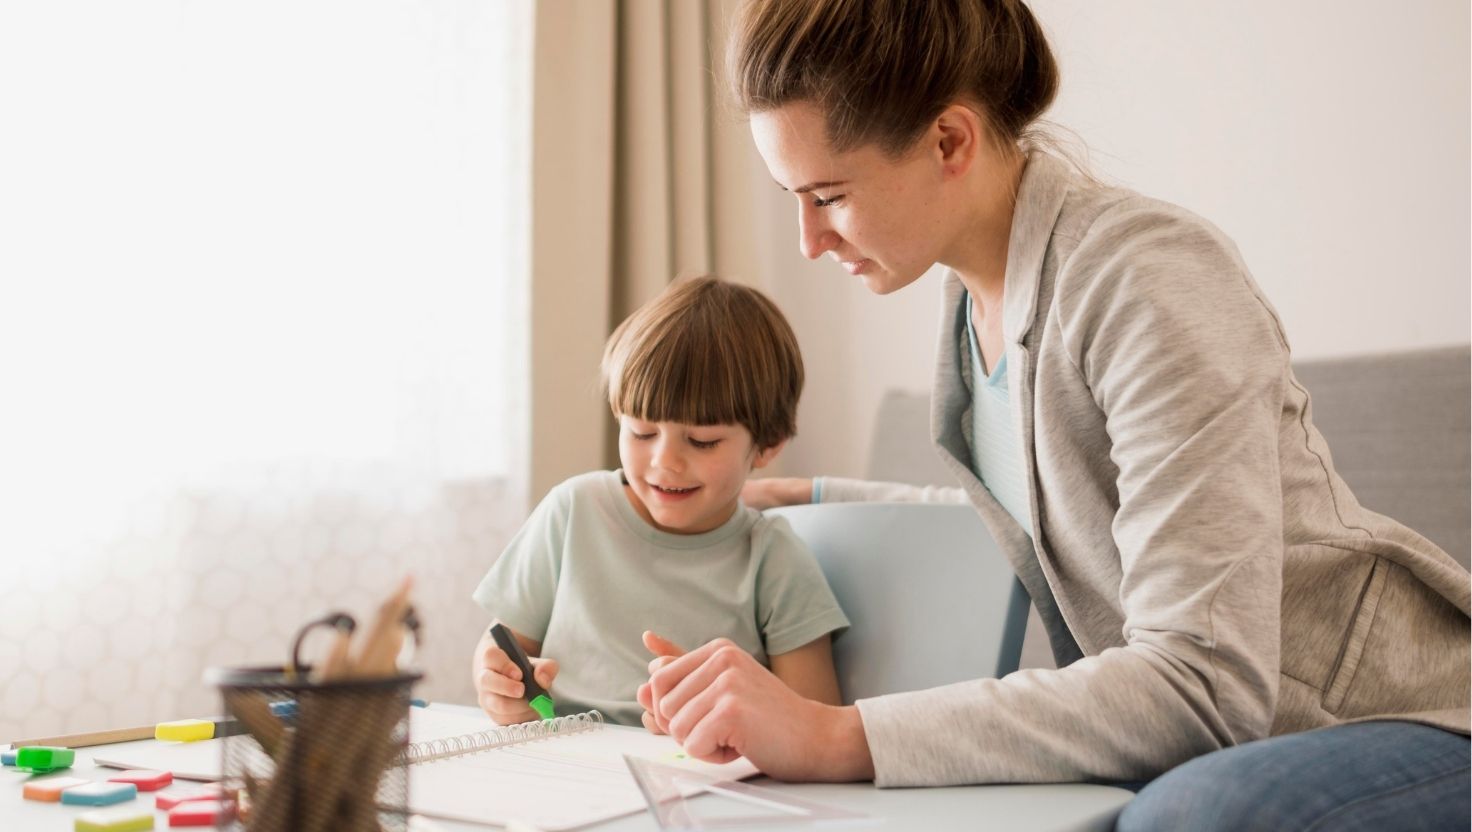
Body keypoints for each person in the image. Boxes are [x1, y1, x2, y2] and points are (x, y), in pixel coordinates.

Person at [636, 1, 1471, 827]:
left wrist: (836, 736)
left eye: (829, 195)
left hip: (1401, 720)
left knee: (1197, 814)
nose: (810, 239)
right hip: (1238, 739)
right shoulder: (970, 301)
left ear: (948, 140)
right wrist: (816, 495)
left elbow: (1204, 683)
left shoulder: (1148, 280)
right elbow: (1065, 513)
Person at [470, 276, 849, 727]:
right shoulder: (572, 511)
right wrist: (499, 685)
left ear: (767, 445)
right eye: (642, 433)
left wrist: (720, 715)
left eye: (702, 441)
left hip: (690, 776)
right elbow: (501, 648)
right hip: (561, 758)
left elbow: (818, 721)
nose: (664, 462)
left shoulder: (774, 559)